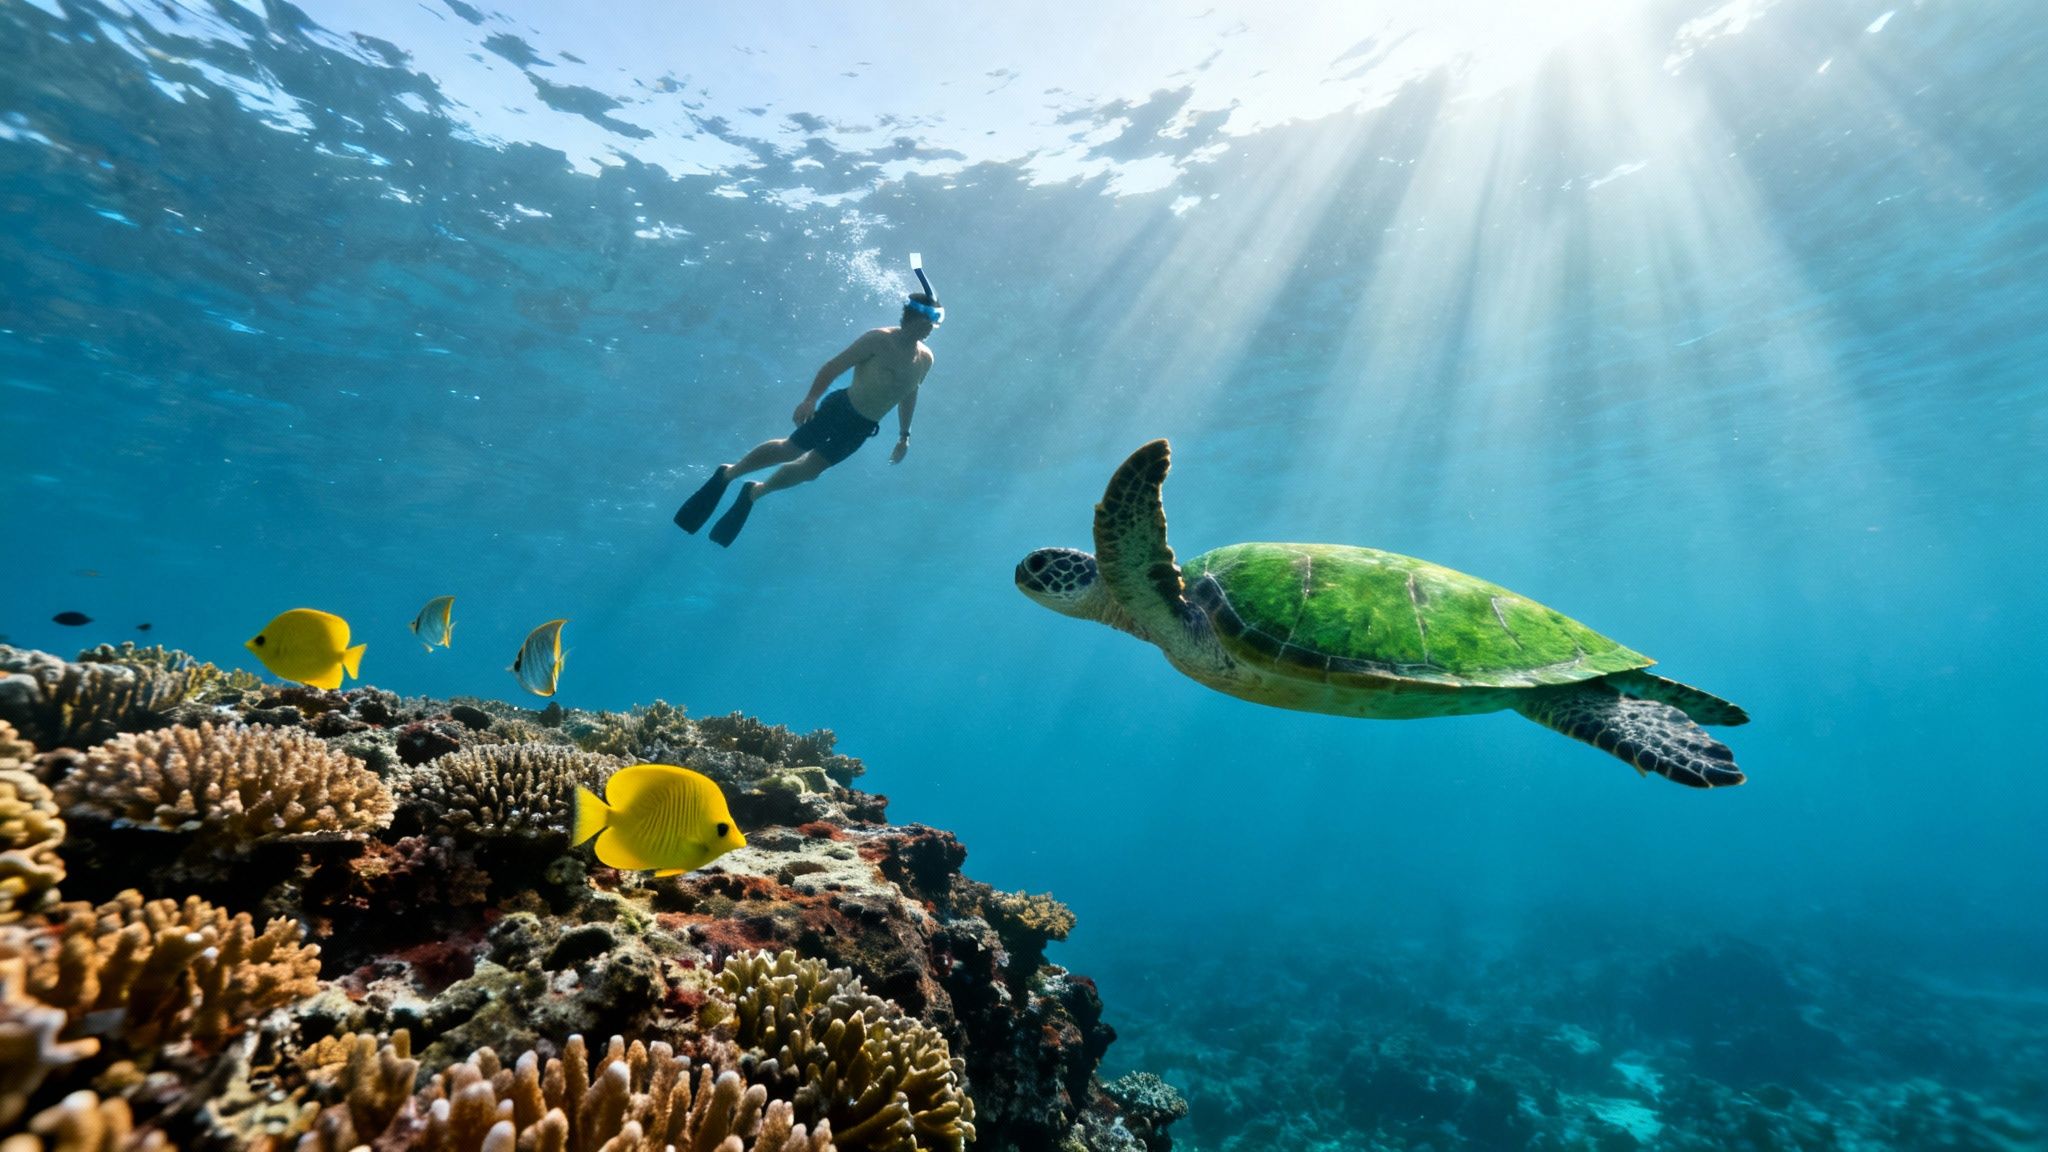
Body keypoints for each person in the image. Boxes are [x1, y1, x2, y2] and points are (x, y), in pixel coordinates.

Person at [675, 281, 942, 547]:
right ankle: (729, 474)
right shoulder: (878, 339)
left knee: (812, 470)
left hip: (863, 427)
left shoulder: (926, 358)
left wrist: (904, 435)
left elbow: (908, 393)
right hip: (841, 409)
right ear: (913, 316)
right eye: (930, 319)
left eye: (937, 320)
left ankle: (754, 493)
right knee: (791, 450)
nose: (932, 326)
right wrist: (810, 400)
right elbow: (833, 367)